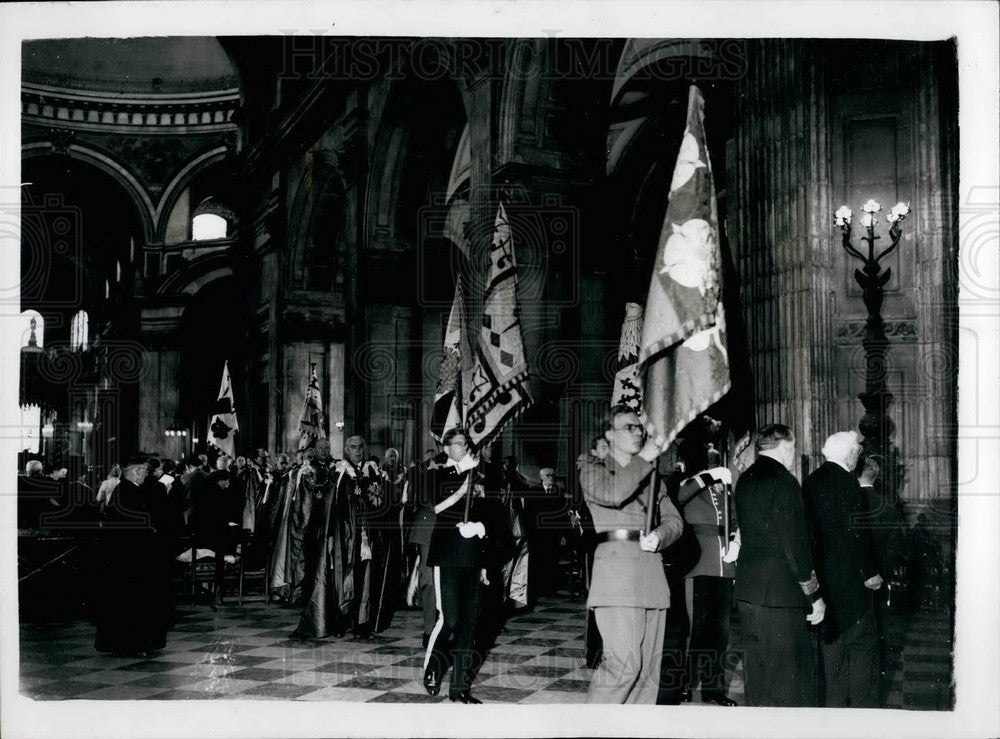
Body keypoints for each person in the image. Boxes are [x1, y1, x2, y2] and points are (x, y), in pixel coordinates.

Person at [580, 404, 685, 704]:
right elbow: (613, 493)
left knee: (647, 676)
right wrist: (645, 458)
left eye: (640, 427)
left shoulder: (652, 477)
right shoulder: (592, 468)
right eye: (629, 427)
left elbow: (674, 521)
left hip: (651, 574)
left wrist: (660, 536)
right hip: (617, 579)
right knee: (623, 667)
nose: (638, 432)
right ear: (609, 434)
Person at [734, 424, 825, 707]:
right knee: (787, 679)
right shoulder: (784, 482)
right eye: (793, 448)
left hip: (748, 591)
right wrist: (814, 595)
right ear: (785, 446)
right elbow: (795, 546)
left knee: (758, 675)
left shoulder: (745, 479)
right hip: (780, 596)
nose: (793, 454)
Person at [804, 431, 883, 707]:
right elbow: (858, 535)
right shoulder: (849, 484)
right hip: (851, 582)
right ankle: (862, 714)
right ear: (850, 455)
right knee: (862, 646)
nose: (858, 457)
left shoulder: (811, 482)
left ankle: (834, 715)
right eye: (857, 453)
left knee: (831, 651)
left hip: (823, 584)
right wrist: (871, 572)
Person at [421, 428, 490, 704]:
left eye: (466, 443)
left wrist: (481, 527)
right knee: (449, 619)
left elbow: (489, 512)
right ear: (446, 447)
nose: (465, 447)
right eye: (459, 443)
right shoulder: (437, 473)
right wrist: (464, 472)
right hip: (448, 554)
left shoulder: (479, 475)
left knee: (469, 626)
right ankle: (433, 668)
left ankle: (460, 689)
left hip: (473, 554)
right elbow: (439, 507)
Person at [675, 441, 740, 706]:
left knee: (720, 631)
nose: (714, 465)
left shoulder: (723, 487)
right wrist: (708, 476)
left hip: (724, 563)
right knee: (696, 629)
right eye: (709, 462)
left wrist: (736, 541)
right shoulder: (686, 482)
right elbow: (681, 496)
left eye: (715, 462)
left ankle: (713, 689)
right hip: (698, 562)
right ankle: (684, 684)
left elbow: (735, 520)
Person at [94, 454, 171, 655]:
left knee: (131, 602)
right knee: (130, 603)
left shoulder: (129, 490)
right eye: (145, 471)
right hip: (130, 558)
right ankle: (130, 644)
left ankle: (133, 642)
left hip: (131, 556)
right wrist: (151, 530)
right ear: (136, 471)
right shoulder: (127, 491)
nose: (146, 474)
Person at [291, 438, 347, 639]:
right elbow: (300, 503)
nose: (324, 450)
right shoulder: (306, 470)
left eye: (327, 448)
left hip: (333, 527)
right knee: (312, 572)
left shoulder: (338, 467)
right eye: (321, 448)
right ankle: (313, 618)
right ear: (314, 450)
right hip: (313, 530)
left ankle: (335, 621)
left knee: (332, 575)